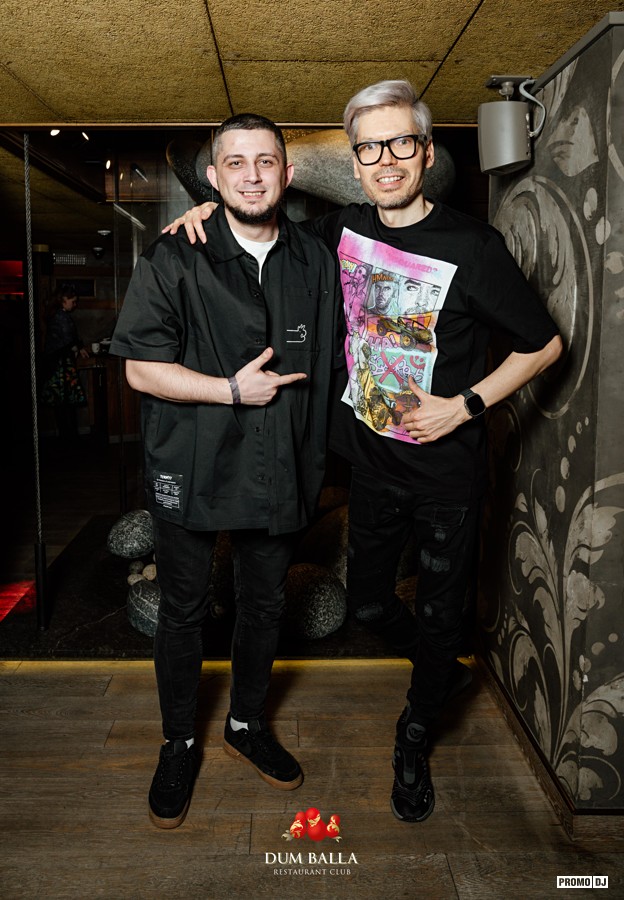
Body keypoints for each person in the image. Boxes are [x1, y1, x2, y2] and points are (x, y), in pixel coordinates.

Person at [164, 80, 563, 825]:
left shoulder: (474, 246)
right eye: (369, 148)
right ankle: (440, 671)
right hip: (371, 467)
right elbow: (258, 224)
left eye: (401, 143)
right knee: (371, 602)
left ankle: (416, 731)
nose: (386, 160)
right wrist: (207, 212)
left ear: (426, 153)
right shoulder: (337, 231)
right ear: (354, 163)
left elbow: (544, 344)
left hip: (446, 474)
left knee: (440, 614)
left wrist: (466, 404)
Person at [110, 113, 341, 829]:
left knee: (264, 606)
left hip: (282, 467)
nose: (251, 175)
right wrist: (230, 390)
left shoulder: (316, 258)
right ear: (212, 178)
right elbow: (140, 370)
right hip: (194, 461)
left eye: (265, 161)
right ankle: (179, 742)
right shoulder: (174, 255)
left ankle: (245, 725)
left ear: (288, 174)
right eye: (235, 162)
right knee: (182, 611)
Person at [40, 282, 89, 441]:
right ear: (64, 300)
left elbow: (69, 339)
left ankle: (67, 437)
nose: (75, 304)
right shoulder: (61, 316)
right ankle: (70, 438)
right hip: (60, 365)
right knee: (66, 403)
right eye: (73, 301)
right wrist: (77, 347)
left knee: (62, 403)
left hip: (57, 363)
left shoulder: (57, 315)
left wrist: (77, 347)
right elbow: (68, 339)